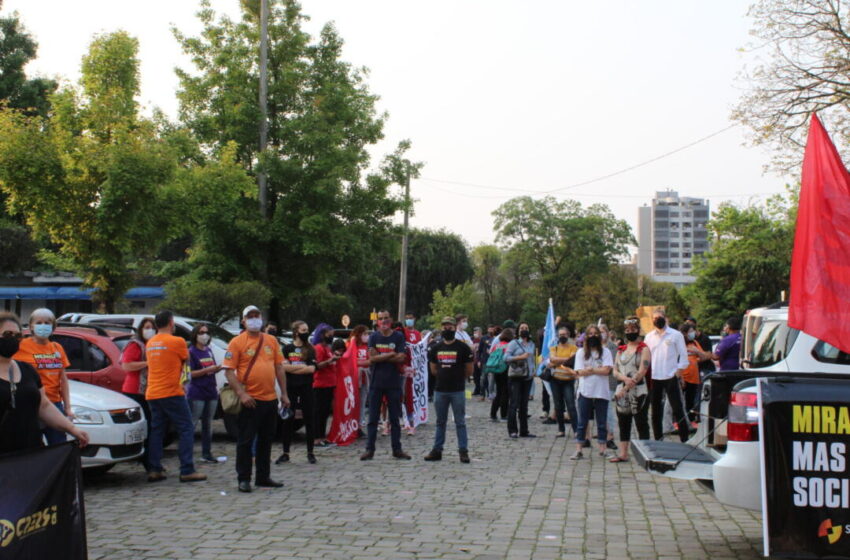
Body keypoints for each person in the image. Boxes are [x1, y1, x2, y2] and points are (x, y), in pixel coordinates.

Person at [0, 312, 89, 454]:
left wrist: (72, 429)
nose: (14, 339)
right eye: (7, 334)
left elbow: (44, 405)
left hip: (29, 452)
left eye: (17, 336)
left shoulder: (27, 370)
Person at [223, 305, 289, 492]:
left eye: (256, 315)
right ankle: (244, 478)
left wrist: (283, 393)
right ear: (243, 321)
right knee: (245, 441)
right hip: (250, 400)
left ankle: (263, 476)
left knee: (266, 440)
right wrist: (242, 394)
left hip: (270, 398)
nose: (254, 319)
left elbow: (279, 368)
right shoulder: (236, 342)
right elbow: (229, 372)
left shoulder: (271, 340)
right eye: (250, 316)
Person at [145, 310, 207, 483]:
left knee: (157, 430)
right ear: (171, 323)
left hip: (153, 392)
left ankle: (154, 468)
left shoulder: (150, 342)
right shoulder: (177, 341)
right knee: (186, 428)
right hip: (171, 391)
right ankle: (187, 469)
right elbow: (185, 361)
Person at [14, 308, 72, 445]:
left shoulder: (57, 348)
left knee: (58, 444)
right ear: (31, 326)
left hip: (54, 404)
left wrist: (67, 407)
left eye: (47, 322)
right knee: (31, 446)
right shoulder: (21, 345)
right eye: (39, 322)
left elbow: (63, 379)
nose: (43, 326)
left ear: (53, 327)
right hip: (31, 404)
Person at [360, 310, 410, 461]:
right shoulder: (374, 336)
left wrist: (380, 356)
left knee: (394, 419)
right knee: (373, 419)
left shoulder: (398, 336)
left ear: (391, 319)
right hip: (376, 383)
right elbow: (372, 358)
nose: (383, 321)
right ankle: (370, 450)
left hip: (393, 382)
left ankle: (397, 449)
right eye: (380, 319)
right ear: (377, 321)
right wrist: (390, 354)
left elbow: (401, 358)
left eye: (386, 318)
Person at [424, 317, 473, 463]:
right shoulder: (435, 348)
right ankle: (437, 450)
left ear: (455, 327)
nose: (447, 329)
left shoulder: (463, 348)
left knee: (460, 422)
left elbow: (469, 370)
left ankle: (463, 451)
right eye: (444, 327)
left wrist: (457, 377)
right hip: (440, 390)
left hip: (457, 390)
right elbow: (433, 369)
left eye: (450, 327)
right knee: (440, 422)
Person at [644, 308, 690, 443]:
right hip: (654, 376)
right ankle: (658, 438)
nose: (657, 320)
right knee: (655, 410)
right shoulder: (649, 337)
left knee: (677, 408)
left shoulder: (676, 335)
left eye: (659, 317)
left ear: (665, 318)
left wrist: (679, 371)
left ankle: (684, 438)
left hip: (670, 375)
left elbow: (683, 355)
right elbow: (646, 356)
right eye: (654, 318)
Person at [610, 317, 651, 463]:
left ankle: (646, 453)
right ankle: (623, 453)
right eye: (627, 330)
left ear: (638, 331)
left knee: (641, 422)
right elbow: (615, 370)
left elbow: (642, 371)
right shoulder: (621, 350)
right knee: (623, 422)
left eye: (633, 330)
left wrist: (628, 385)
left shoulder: (644, 349)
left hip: (638, 390)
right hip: (622, 389)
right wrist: (624, 379)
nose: (630, 332)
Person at [571, 325, 614, 460]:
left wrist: (591, 370)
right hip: (585, 391)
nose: (593, 336)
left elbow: (607, 370)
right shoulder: (580, 353)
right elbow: (578, 372)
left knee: (602, 422)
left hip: (601, 391)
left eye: (596, 333)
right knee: (582, 422)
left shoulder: (606, 352)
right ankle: (579, 449)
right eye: (590, 334)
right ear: (586, 336)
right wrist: (596, 369)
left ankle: (603, 449)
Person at [120, 317, 156, 470]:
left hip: (150, 390)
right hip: (135, 390)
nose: (150, 330)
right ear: (141, 329)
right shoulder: (135, 345)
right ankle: (146, 461)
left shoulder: (153, 345)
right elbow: (127, 365)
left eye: (152, 327)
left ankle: (149, 459)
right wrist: (148, 363)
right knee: (144, 426)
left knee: (150, 427)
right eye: (147, 327)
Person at [278, 320, 317, 464]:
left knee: (309, 419)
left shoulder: (310, 349)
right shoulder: (287, 349)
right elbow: (283, 368)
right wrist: (302, 368)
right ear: (296, 332)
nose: (306, 332)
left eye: (307, 330)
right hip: (291, 387)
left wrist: (293, 368)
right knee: (288, 419)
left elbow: (312, 369)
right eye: (303, 330)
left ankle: (310, 452)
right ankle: (285, 452)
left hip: (306, 386)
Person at [186, 323, 223, 464]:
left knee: (208, 424)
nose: (204, 335)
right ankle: (187, 455)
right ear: (195, 335)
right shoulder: (191, 352)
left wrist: (217, 369)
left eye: (206, 332)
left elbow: (210, 369)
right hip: (197, 392)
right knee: (193, 423)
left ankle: (206, 453)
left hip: (211, 391)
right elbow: (190, 374)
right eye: (201, 332)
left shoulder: (208, 350)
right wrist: (207, 370)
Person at [505, 322, 536, 439]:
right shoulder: (513, 343)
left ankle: (524, 430)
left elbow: (531, 359)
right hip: (516, 377)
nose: (524, 330)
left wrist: (533, 370)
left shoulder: (531, 344)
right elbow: (506, 358)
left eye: (526, 328)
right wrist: (519, 357)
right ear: (518, 331)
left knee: (524, 404)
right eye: (522, 328)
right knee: (513, 404)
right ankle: (512, 430)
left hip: (527, 377)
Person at [548, 325, 578, 438]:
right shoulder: (554, 348)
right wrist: (564, 360)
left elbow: (572, 360)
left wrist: (557, 361)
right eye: (560, 335)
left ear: (568, 335)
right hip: (555, 380)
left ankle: (576, 430)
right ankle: (561, 429)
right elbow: (552, 359)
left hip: (568, 380)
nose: (562, 337)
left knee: (571, 405)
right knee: (558, 405)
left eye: (564, 335)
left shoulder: (573, 348)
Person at [312, 323, 338, 447]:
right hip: (320, 384)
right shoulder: (318, 348)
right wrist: (330, 361)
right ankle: (316, 437)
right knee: (319, 412)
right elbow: (317, 366)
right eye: (329, 335)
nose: (331, 337)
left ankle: (322, 436)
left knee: (325, 412)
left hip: (329, 384)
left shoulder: (327, 348)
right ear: (322, 335)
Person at [599, 323, 620, 451]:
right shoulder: (594, 347)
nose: (602, 334)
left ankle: (610, 435)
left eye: (603, 331)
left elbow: (611, 364)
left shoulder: (613, 347)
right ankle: (601, 433)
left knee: (608, 410)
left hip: (609, 382)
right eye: (599, 331)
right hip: (597, 382)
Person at [402, 312, 422, 435]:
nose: (409, 320)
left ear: (414, 319)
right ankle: (405, 421)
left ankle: (414, 420)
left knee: (412, 395)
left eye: (411, 318)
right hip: (405, 366)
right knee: (403, 395)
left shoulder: (418, 334)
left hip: (414, 367)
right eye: (407, 319)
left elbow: (420, 350)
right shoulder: (403, 332)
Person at [680, 323, 703, 425]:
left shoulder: (694, 343)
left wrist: (697, 351)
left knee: (691, 399)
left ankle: (691, 420)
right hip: (682, 376)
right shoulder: (679, 344)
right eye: (690, 332)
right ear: (684, 333)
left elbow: (703, 357)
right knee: (680, 400)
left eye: (693, 331)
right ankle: (679, 421)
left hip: (694, 377)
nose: (692, 333)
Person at [351, 324, 371, 437]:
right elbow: (349, 360)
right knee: (352, 403)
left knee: (362, 403)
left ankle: (359, 425)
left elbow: (370, 360)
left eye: (367, 334)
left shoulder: (367, 346)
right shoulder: (351, 345)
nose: (366, 336)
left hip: (363, 379)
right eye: (364, 334)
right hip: (353, 380)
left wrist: (361, 364)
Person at [488, 327, 511, 421]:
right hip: (505, 370)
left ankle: (493, 414)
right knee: (505, 392)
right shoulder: (509, 345)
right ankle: (504, 414)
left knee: (498, 392)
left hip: (496, 370)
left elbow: (490, 354)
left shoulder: (496, 345)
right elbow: (508, 358)